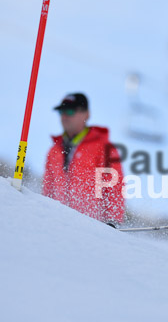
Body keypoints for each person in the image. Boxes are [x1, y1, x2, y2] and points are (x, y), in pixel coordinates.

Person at [42, 92, 125, 227]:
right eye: (61, 111)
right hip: (57, 226)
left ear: (86, 114)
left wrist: (113, 221)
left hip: (91, 229)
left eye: (70, 111)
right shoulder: (53, 151)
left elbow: (115, 187)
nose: (64, 116)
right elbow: (48, 189)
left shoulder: (104, 148)